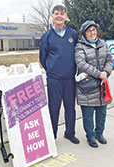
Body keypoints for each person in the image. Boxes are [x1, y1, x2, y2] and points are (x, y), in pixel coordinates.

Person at [39, 5, 80, 144]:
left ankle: (70, 133)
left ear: (66, 17)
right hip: (54, 79)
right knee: (54, 108)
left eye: (62, 14)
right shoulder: (47, 36)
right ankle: (52, 135)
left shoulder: (73, 34)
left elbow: (77, 54)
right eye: (56, 13)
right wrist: (52, 70)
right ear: (52, 16)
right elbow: (42, 58)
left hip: (69, 78)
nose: (59, 16)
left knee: (70, 107)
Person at [75, 20, 113, 148]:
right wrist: (98, 74)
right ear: (84, 33)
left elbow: (109, 59)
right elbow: (81, 63)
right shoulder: (80, 46)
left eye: (94, 30)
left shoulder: (103, 43)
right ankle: (90, 136)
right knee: (88, 114)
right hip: (87, 86)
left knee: (102, 112)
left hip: (102, 84)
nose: (92, 33)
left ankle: (99, 133)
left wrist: (106, 73)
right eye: (89, 31)